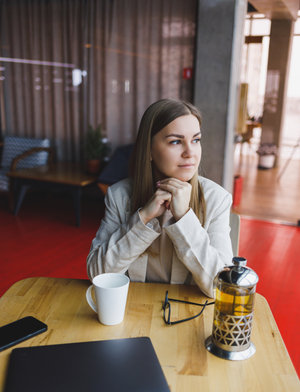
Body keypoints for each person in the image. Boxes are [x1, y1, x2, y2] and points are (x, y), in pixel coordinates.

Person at [87, 98, 233, 298]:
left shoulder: (217, 199)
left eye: (196, 140)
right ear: (148, 151)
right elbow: (97, 275)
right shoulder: (119, 196)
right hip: (132, 312)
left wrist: (184, 218)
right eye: (175, 141)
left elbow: (223, 287)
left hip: (189, 315)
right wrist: (143, 218)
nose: (190, 153)